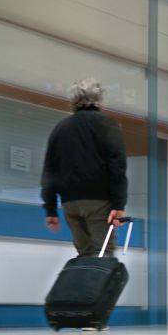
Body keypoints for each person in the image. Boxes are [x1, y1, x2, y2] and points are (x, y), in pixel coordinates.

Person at [42, 78, 128, 256]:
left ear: (73, 101)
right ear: (99, 99)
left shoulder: (60, 128)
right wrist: (119, 204)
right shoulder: (108, 125)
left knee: (85, 255)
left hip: (69, 203)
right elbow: (117, 166)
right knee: (103, 256)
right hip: (99, 202)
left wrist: (50, 209)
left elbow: (49, 171)